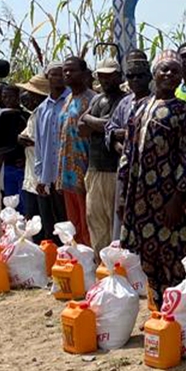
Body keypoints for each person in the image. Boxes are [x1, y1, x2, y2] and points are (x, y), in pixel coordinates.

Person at [120, 54, 186, 307]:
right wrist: (124, 197)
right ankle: (158, 309)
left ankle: (176, 311)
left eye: (175, 71)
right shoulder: (140, 107)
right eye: (164, 70)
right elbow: (128, 153)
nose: (169, 75)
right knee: (148, 257)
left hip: (167, 200)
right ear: (155, 73)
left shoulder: (184, 111)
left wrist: (178, 199)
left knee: (172, 256)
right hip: (140, 198)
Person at [79, 58, 126, 253]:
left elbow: (114, 128)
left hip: (114, 169)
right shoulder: (97, 99)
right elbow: (82, 127)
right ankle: (102, 267)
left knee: (115, 222)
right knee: (95, 219)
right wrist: (96, 122)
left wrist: (92, 121)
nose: (105, 79)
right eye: (102, 75)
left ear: (118, 76)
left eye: (110, 75)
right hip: (95, 168)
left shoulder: (125, 100)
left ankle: (117, 266)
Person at [106, 54, 151, 242]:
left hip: (147, 171)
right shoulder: (124, 103)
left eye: (140, 76)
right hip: (125, 169)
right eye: (131, 76)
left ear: (149, 77)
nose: (135, 80)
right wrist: (117, 142)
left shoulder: (154, 101)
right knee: (122, 213)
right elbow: (110, 127)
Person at [56, 56, 96, 245]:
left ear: (85, 74)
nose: (68, 74)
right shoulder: (67, 100)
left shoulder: (92, 100)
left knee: (88, 222)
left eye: (72, 70)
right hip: (67, 174)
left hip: (85, 171)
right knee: (73, 225)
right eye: (65, 71)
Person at [32, 63, 70, 244]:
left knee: (69, 219)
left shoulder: (72, 102)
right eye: (54, 75)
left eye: (61, 74)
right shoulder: (42, 109)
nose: (58, 78)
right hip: (49, 173)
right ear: (48, 78)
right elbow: (39, 144)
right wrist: (40, 176)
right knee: (53, 221)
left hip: (69, 173)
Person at [14, 75, 49, 233]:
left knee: (43, 221)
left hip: (41, 175)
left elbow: (35, 139)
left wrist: (25, 140)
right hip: (31, 174)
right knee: (32, 220)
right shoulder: (35, 113)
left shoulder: (44, 113)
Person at [0, 82, 28, 208]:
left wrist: (25, 159)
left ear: (18, 97)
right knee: (10, 205)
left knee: (23, 204)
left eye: (11, 97)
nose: (8, 100)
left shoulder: (25, 116)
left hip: (21, 167)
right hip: (5, 167)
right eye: (5, 97)